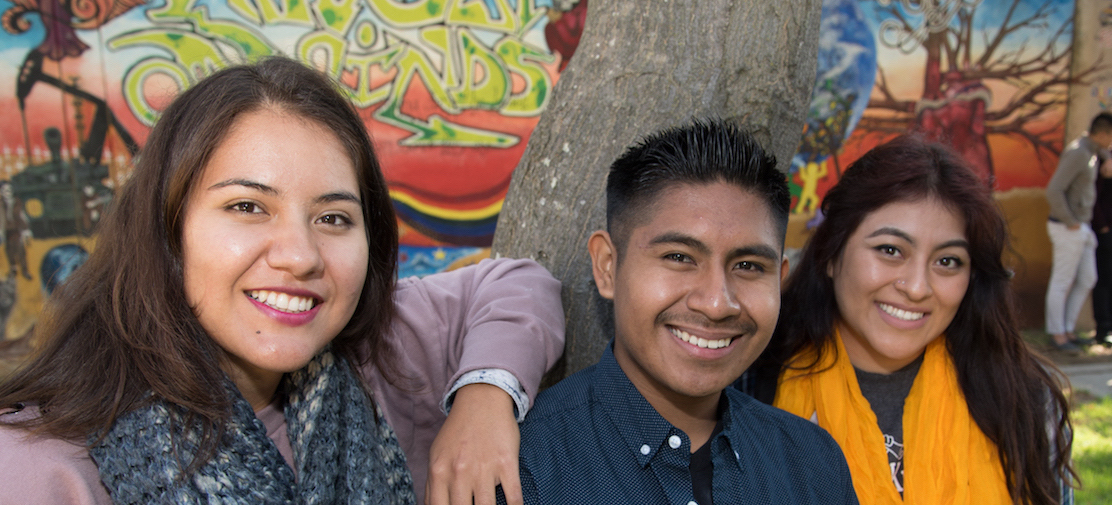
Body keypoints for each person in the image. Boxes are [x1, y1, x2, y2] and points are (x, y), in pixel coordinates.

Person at [0, 57, 564, 504]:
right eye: (247, 206)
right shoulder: (40, 467)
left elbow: (521, 284)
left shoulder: (382, 358)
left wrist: (486, 399)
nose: (300, 256)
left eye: (333, 218)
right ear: (168, 230)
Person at [512, 120, 858, 504]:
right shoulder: (521, 468)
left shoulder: (812, 465)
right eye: (679, 257)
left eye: (747, 266)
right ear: (608, 266)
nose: (716, 303)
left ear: (778, 280)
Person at [743, 135, 1075, 505]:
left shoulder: (1021, 399)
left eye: (947, 261)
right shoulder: (749, 388)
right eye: (890, 250)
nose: (918, 288)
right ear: (831, 255)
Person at [1044, 112, 1112, 350]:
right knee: (1062, 281)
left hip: (1082, 226)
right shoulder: (1079, 153)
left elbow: (1102, 154)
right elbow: (1054, 190)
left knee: (1088, 278)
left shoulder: (1092, 151)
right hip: (1067, 226)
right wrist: (1070, 220)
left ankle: (1069, 329)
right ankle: (1057, 334)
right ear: (1102, 134)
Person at [1090, 151, 1112, 346]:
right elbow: (1093, 196)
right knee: (1104, 279)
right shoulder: (1102, 159)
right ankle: (1103, 329)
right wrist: (1102, 225)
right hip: (1104, 230)